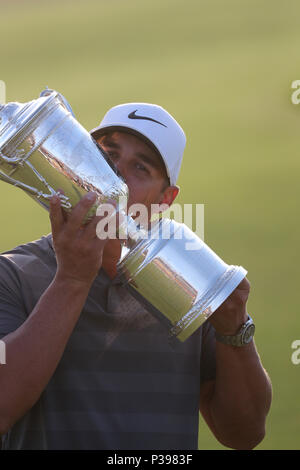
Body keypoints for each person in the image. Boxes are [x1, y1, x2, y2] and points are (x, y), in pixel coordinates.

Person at [0, 103, 272, 450]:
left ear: (164, 200)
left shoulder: (184, 285)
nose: (116, 176)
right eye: (107, 156)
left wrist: (236, 331)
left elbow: (244, 433)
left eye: (139, 168)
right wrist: (72, 281)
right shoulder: (12, 274)